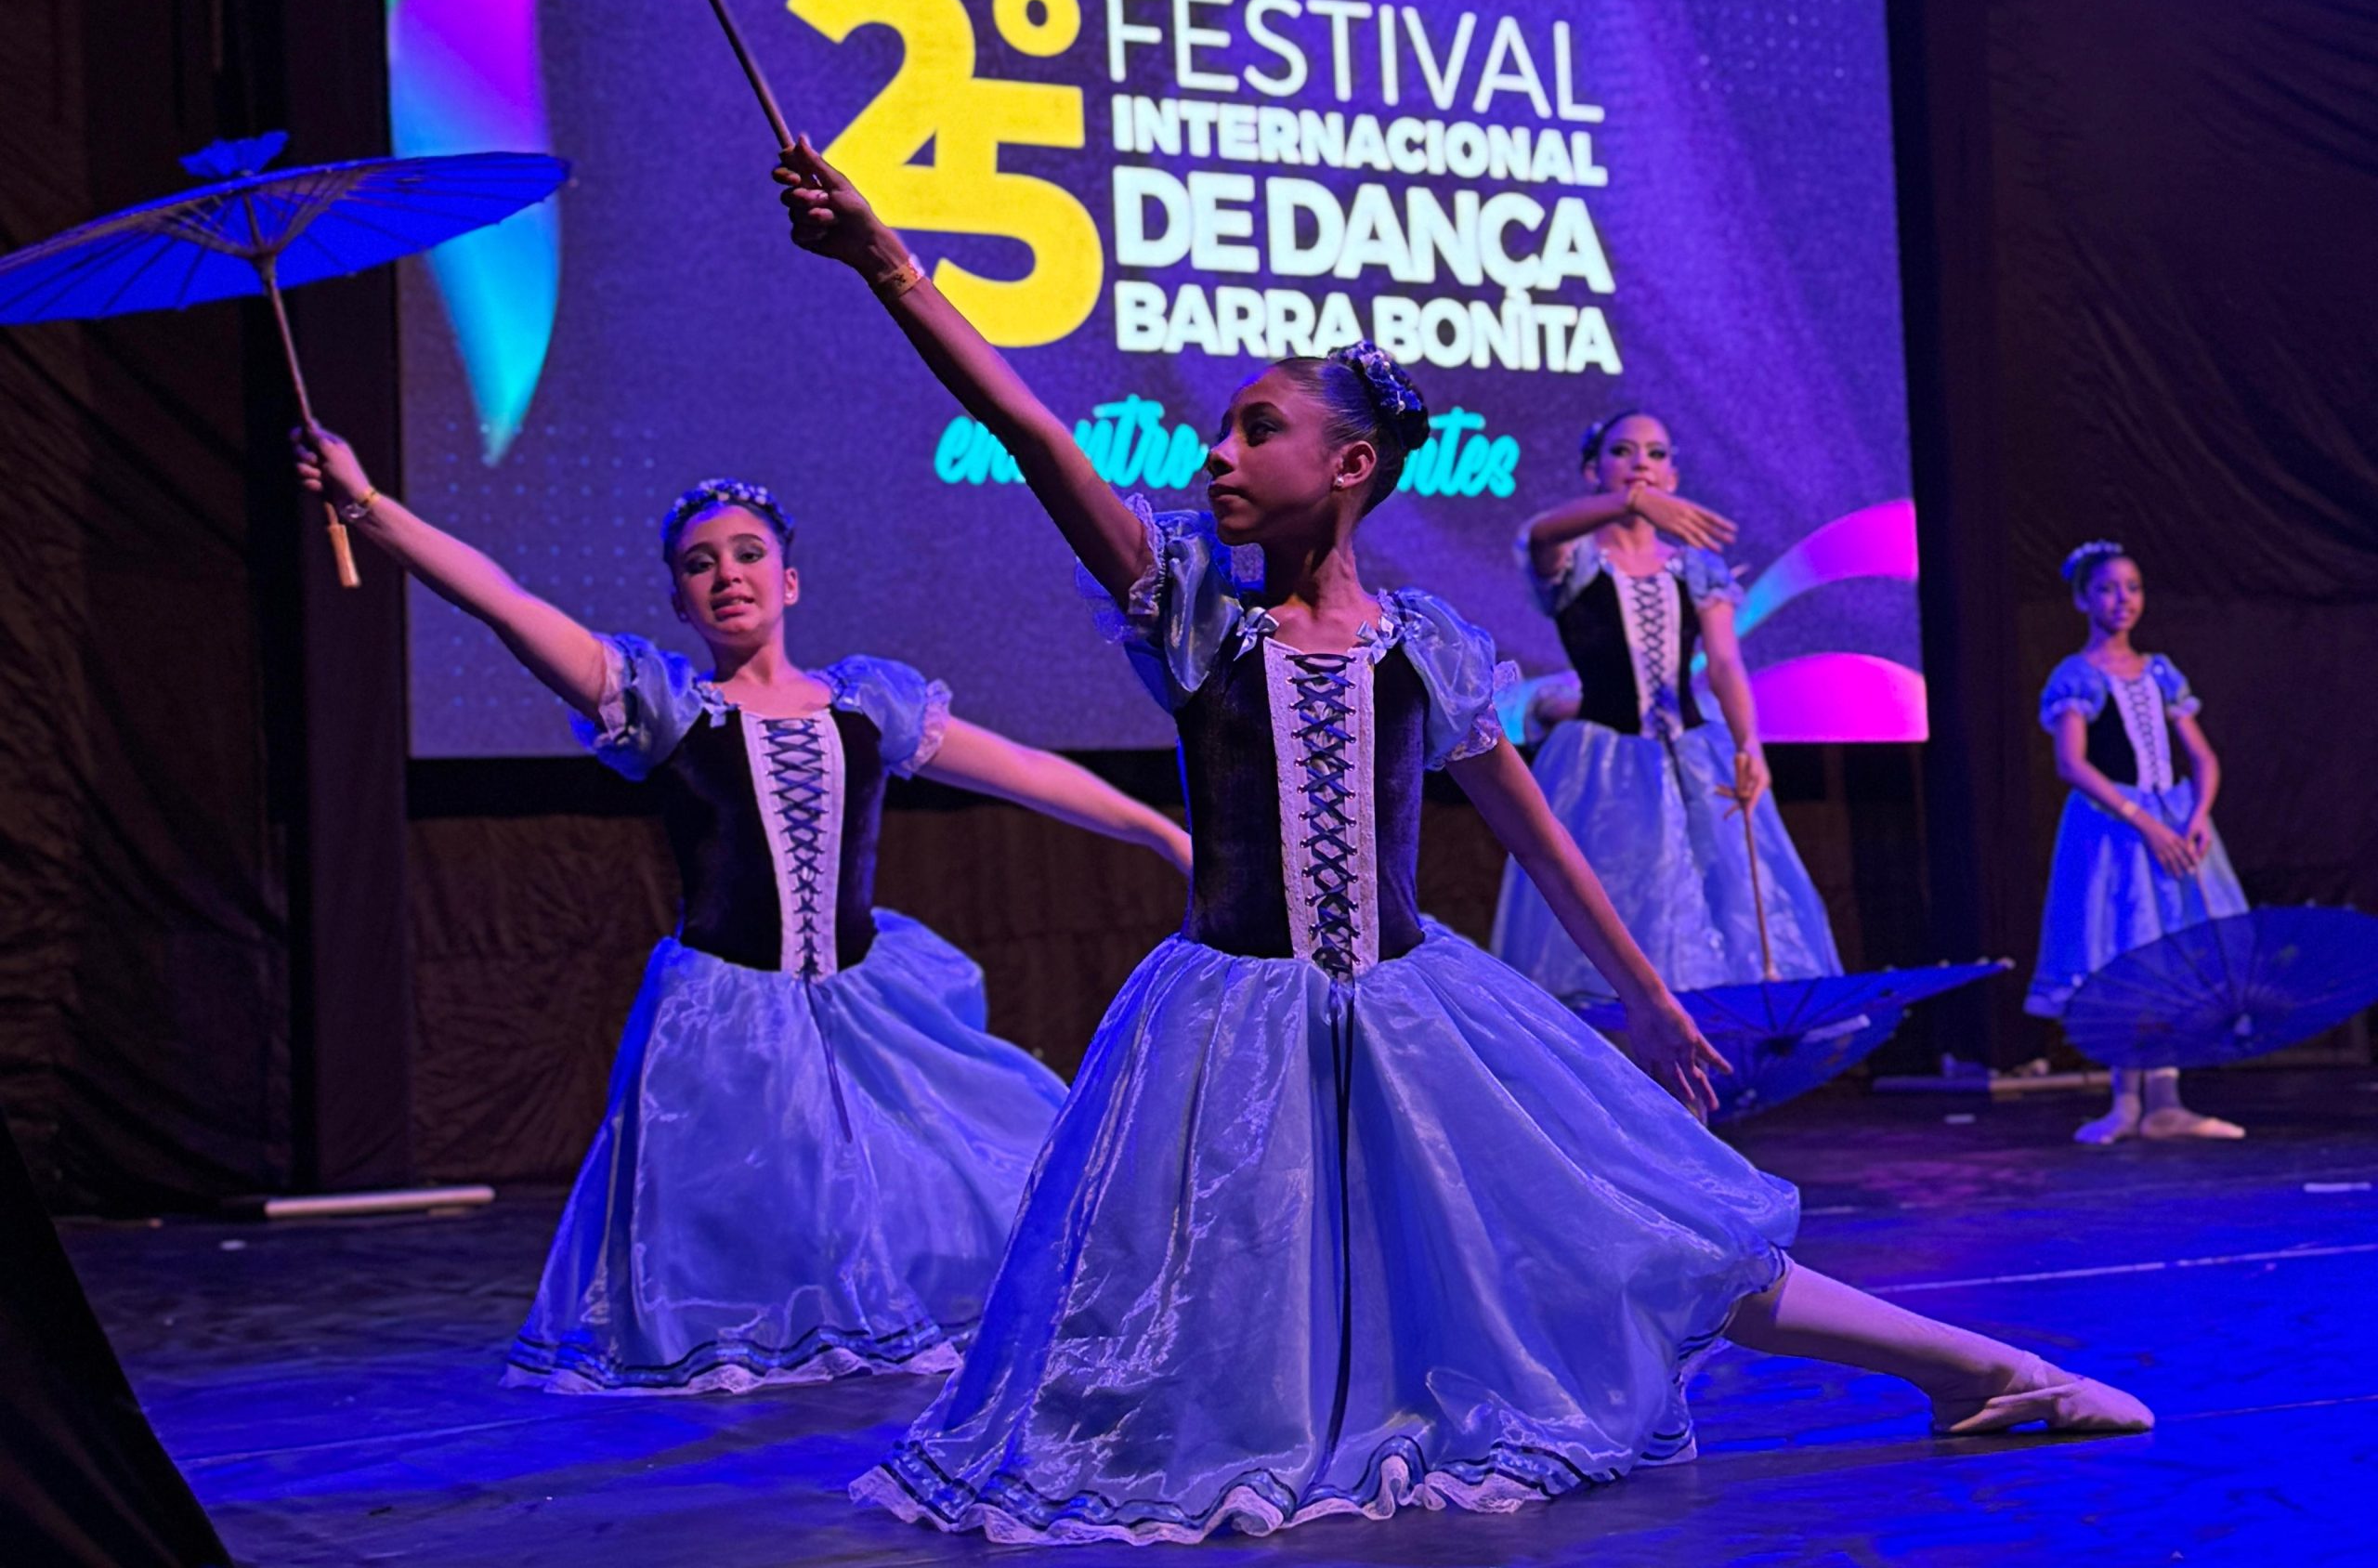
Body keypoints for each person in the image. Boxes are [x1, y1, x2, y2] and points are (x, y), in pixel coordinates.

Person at [775, 140, 2151, 1545]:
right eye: (1221, 433)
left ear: (1350, 465)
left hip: (1413, 1009)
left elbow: (1539, 839)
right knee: (1210, 1287)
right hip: (1230, 1029)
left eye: (1255, 429)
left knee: (1640, 1219)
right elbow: (1027, 429)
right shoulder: (1197, 616)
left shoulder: (1422, 648)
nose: (1216, 453)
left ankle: (1982, 1368)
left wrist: (1650, 997)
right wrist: (887, 262)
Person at [291, 429, 1191, 1393]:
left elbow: (1026, 770)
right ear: (679, 601)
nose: (728, 575)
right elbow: (503, 602)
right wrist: (367, 506)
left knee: (982, 1163)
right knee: (754, 1214)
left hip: (865, 1006)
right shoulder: (667, 706)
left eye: (749, 554)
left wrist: (1165, 835)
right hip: (726, 1021)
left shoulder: (866, 705)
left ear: (788, 581)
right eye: (700, 564)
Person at [1493, 412, 1845, 1000]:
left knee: (1724, 905)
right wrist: (1631, 502)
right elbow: (1539, 537)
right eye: (1622, 452)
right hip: (1601, 766)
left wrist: (1748, 743)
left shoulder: (1695, 569)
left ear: (1673, 476)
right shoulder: (1578, 560)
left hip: (1694, 757)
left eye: (1656, 455)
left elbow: (1725, 662)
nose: (1641, 465)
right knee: (1616, 900)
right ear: (1593, 470)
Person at [2031, 542, 2247, 1145]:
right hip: (2115, 831)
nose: (2121, 599)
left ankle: (2167, 1104)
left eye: (2132, 587)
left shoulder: (2160, 672)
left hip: (2174, 823)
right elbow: (2072, 762)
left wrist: (2197, 814)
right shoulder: (2077, 676)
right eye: (2107, 589)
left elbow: (2203, 756)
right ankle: (2126, 1102)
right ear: (2082, 600)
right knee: (2125, 952)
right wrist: (2143, 821)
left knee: (2176, 953)